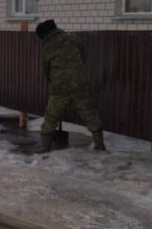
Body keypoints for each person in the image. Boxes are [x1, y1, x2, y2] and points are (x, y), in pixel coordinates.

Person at [35, 19, 106, 152]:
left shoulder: (48, 46)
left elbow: (46, 69)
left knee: (51, 115)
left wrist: (54, 81)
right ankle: (99, 144)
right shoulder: (74, 38)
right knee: (89, 113)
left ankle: (45, 146)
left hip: (59, 85)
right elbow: (83, 56)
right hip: (79, 83)